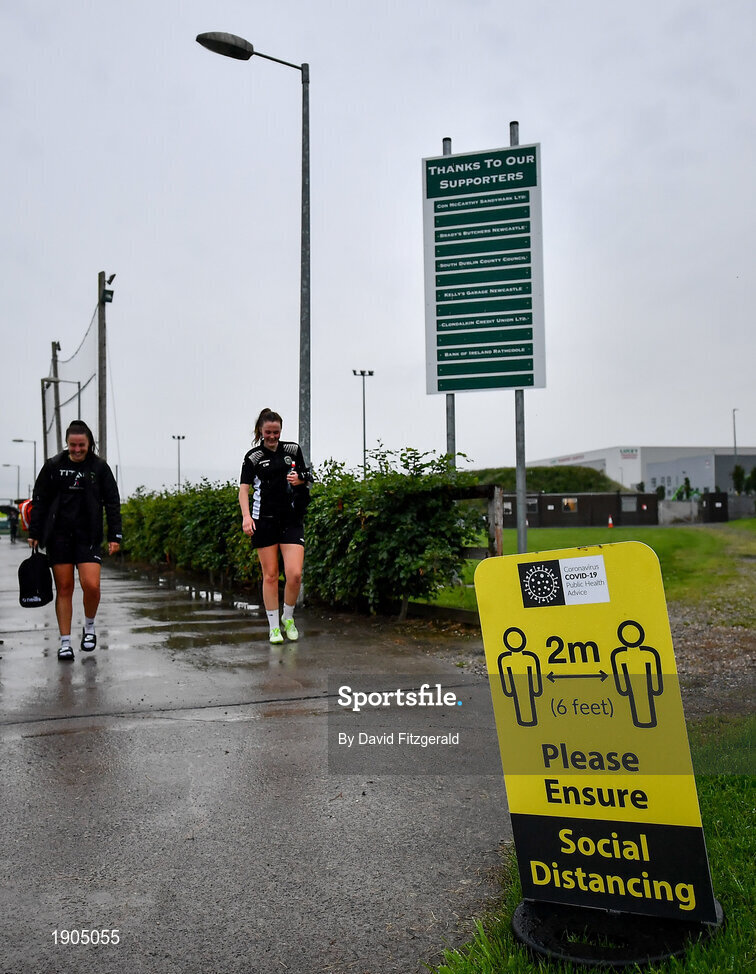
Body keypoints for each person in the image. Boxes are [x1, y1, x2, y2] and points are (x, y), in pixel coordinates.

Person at [28, 420, 122, 661]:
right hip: (58, 536)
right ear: (67, 444)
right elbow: (39, 499)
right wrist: (35, 532)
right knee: (65, 588)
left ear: (89, 443)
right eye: (73, 445)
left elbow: (112, 501)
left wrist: (115, 535)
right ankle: (65, 642)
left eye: (81, 445)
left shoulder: (99, 467)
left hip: (88, 536)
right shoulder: (53, 466)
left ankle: (89, 627)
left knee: (91, 585)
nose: (77, 449)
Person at [238, 408, 312, 643]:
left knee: (295, 574)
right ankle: (273, 627)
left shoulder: (292, 450)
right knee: (270, 575)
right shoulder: (253, 457)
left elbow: (306, 476)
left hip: (291, 520)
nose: (272, 436)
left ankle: (287, 617)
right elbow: (244, 490)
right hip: (264, 521)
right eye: (268, 432)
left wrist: (301, 479)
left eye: (276, 432)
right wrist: (246, 517)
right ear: (260, 431)